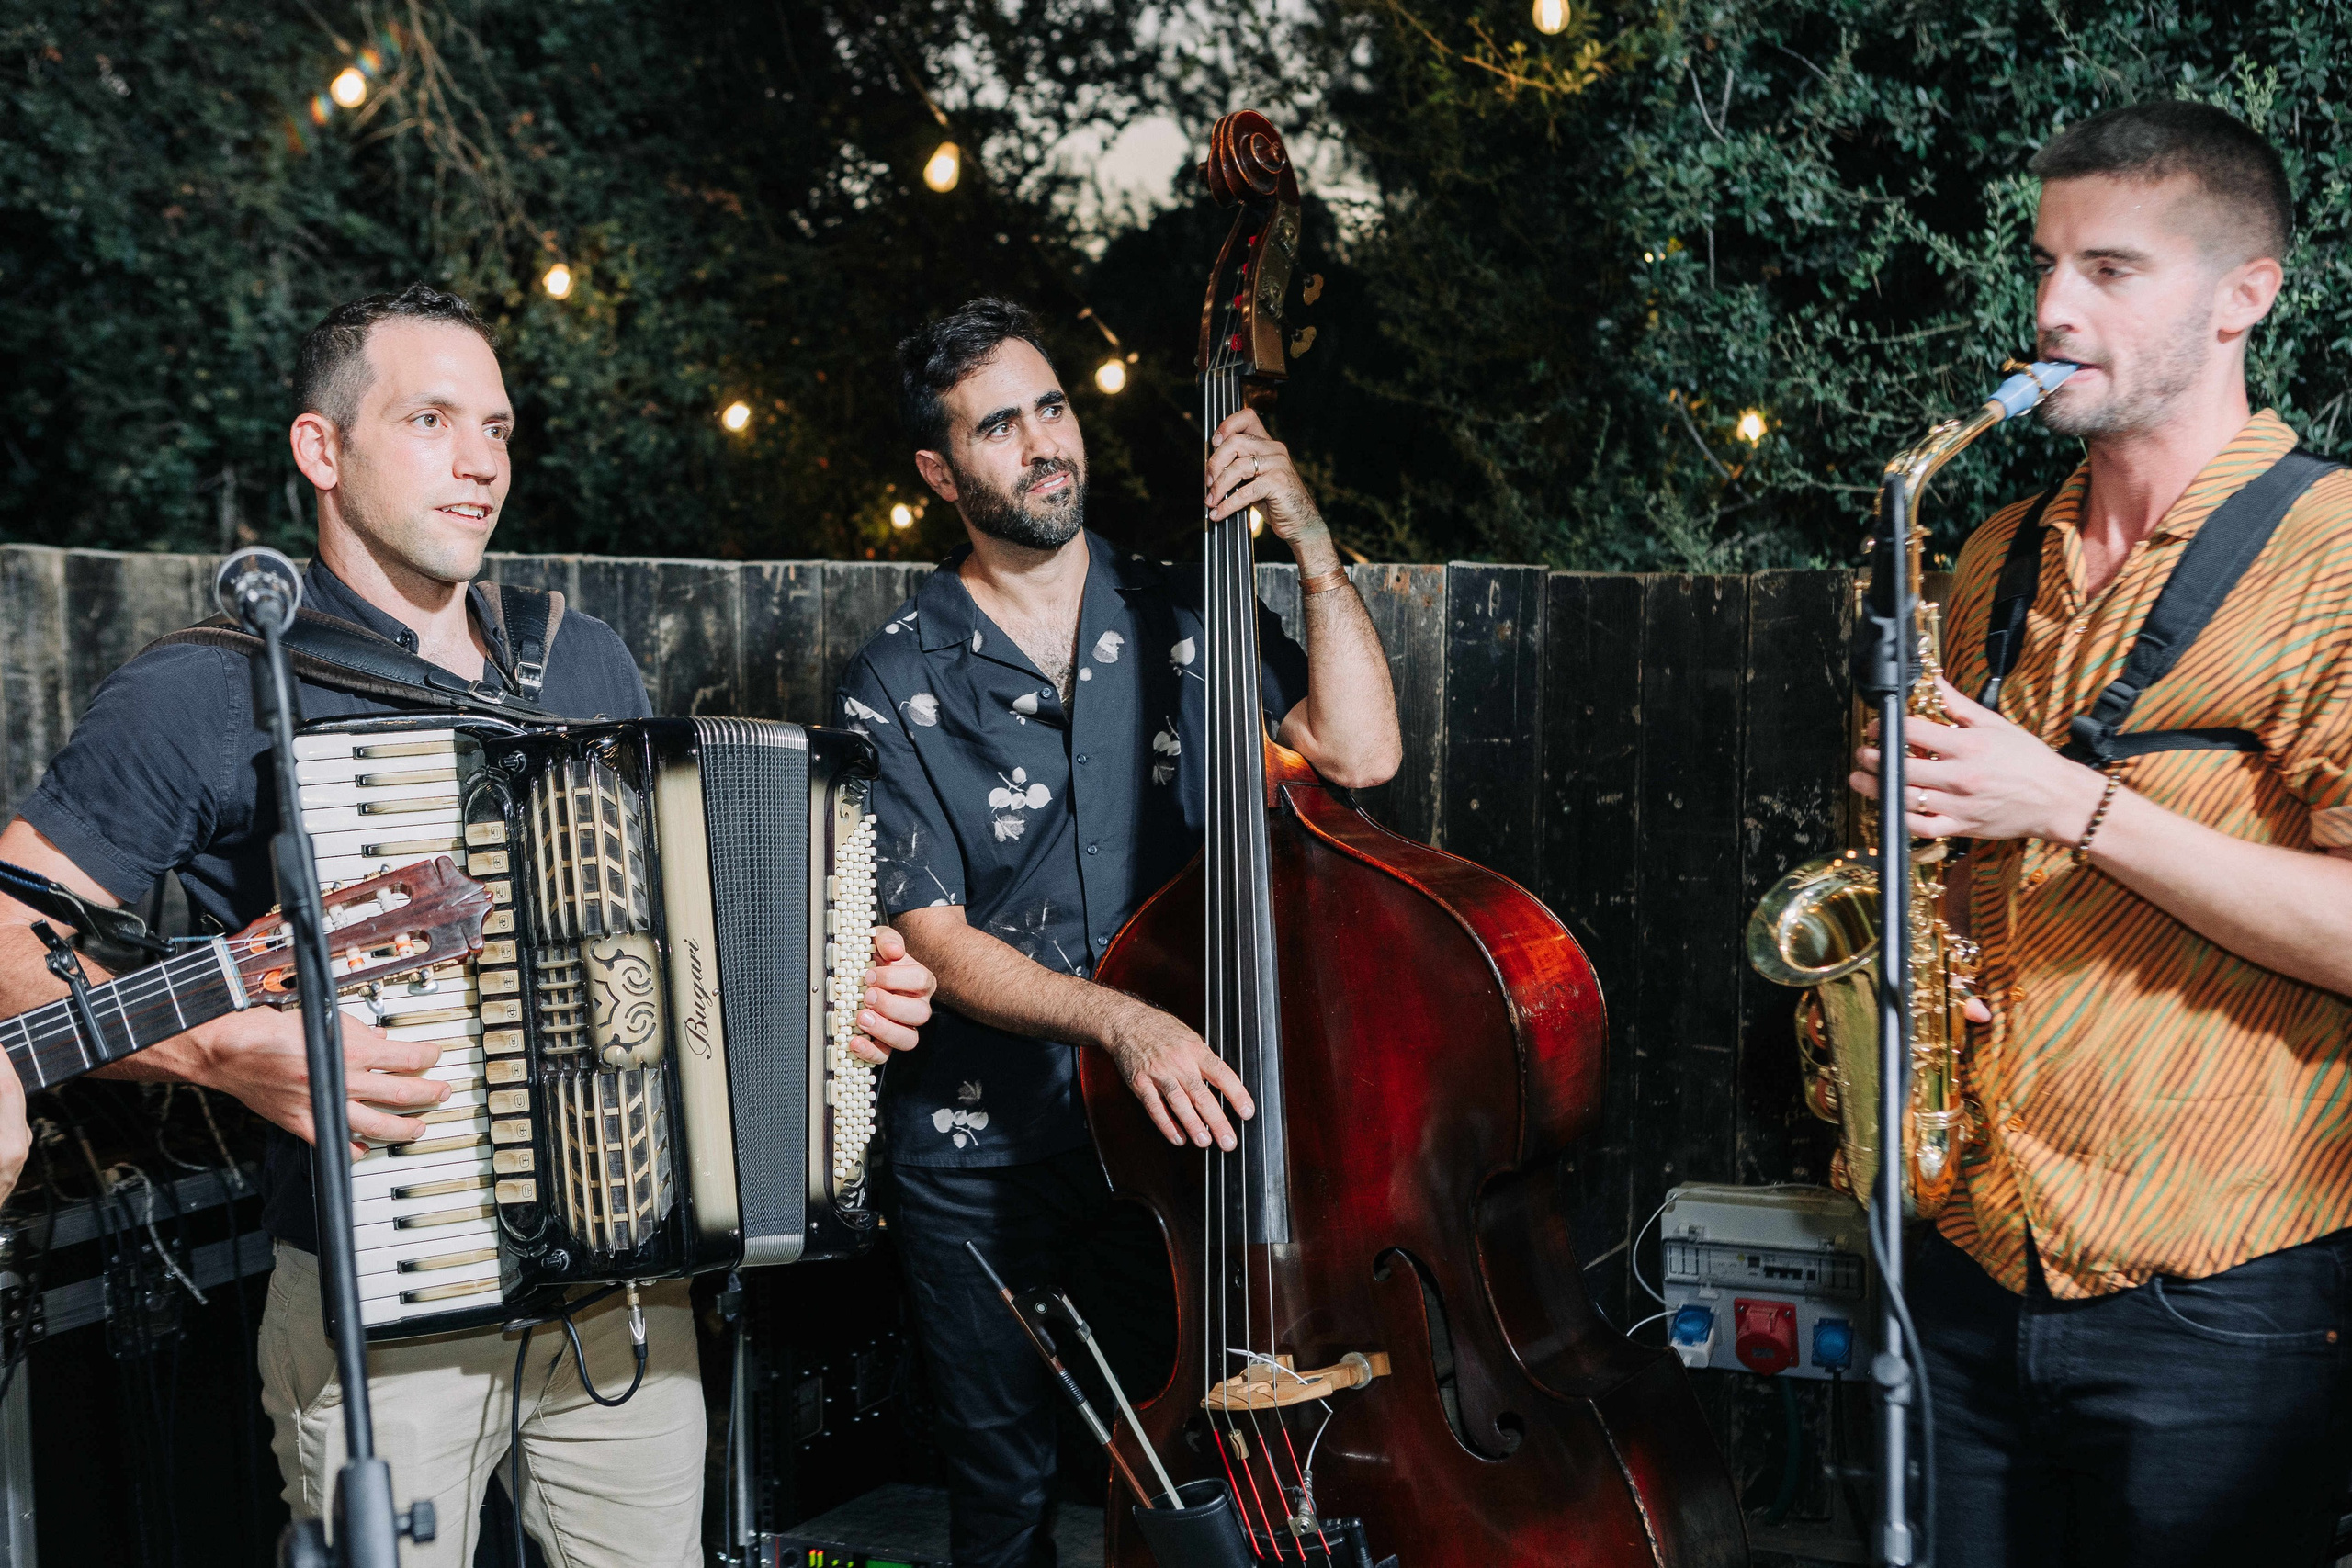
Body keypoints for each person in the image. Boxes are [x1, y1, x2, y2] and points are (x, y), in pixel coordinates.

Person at [0, 283, 936, 1566]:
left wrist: (835, 1005)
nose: (482, 462)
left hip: (625, 1299)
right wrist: (218, 1053)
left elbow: (681, 952)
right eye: (432, 420)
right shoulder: (209, 689)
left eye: (496, 427)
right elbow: (10, 943)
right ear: (320, 451)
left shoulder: (584, 663)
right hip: (380, 1307)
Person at [1851, 101, 2352, 1565]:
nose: (2050, 309)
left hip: (2223, 1286)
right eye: (2046, 260)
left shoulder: (2333, 558)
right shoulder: (1999, 549)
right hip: (1964, 1256)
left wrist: (2067, 801)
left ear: (2241, 299)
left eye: (2112, 270)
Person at [837, 298, 1402, 1566]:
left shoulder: (1182, 610)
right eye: (999, 426)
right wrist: (1120, 1019)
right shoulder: (895, 673)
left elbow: (1361, 749)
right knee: (1003, 1499)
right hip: (984, 1156)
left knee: (1199, 1478)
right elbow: (930, 935)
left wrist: (1303, 531)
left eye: (1052, 408)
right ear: (938, 471)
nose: (1044, 444)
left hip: (1172, 1145)